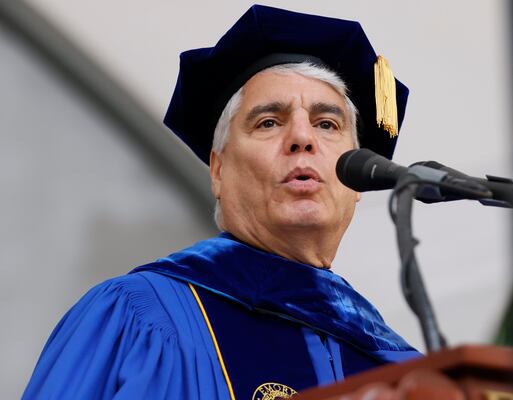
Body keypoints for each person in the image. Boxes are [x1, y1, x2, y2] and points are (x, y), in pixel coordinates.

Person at [23, 5, 420, 399]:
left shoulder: (403, 373)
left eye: (327, 124)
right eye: (269, 122)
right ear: (218, 169)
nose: (303, 138)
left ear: (356, 176)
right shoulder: (138, 317)